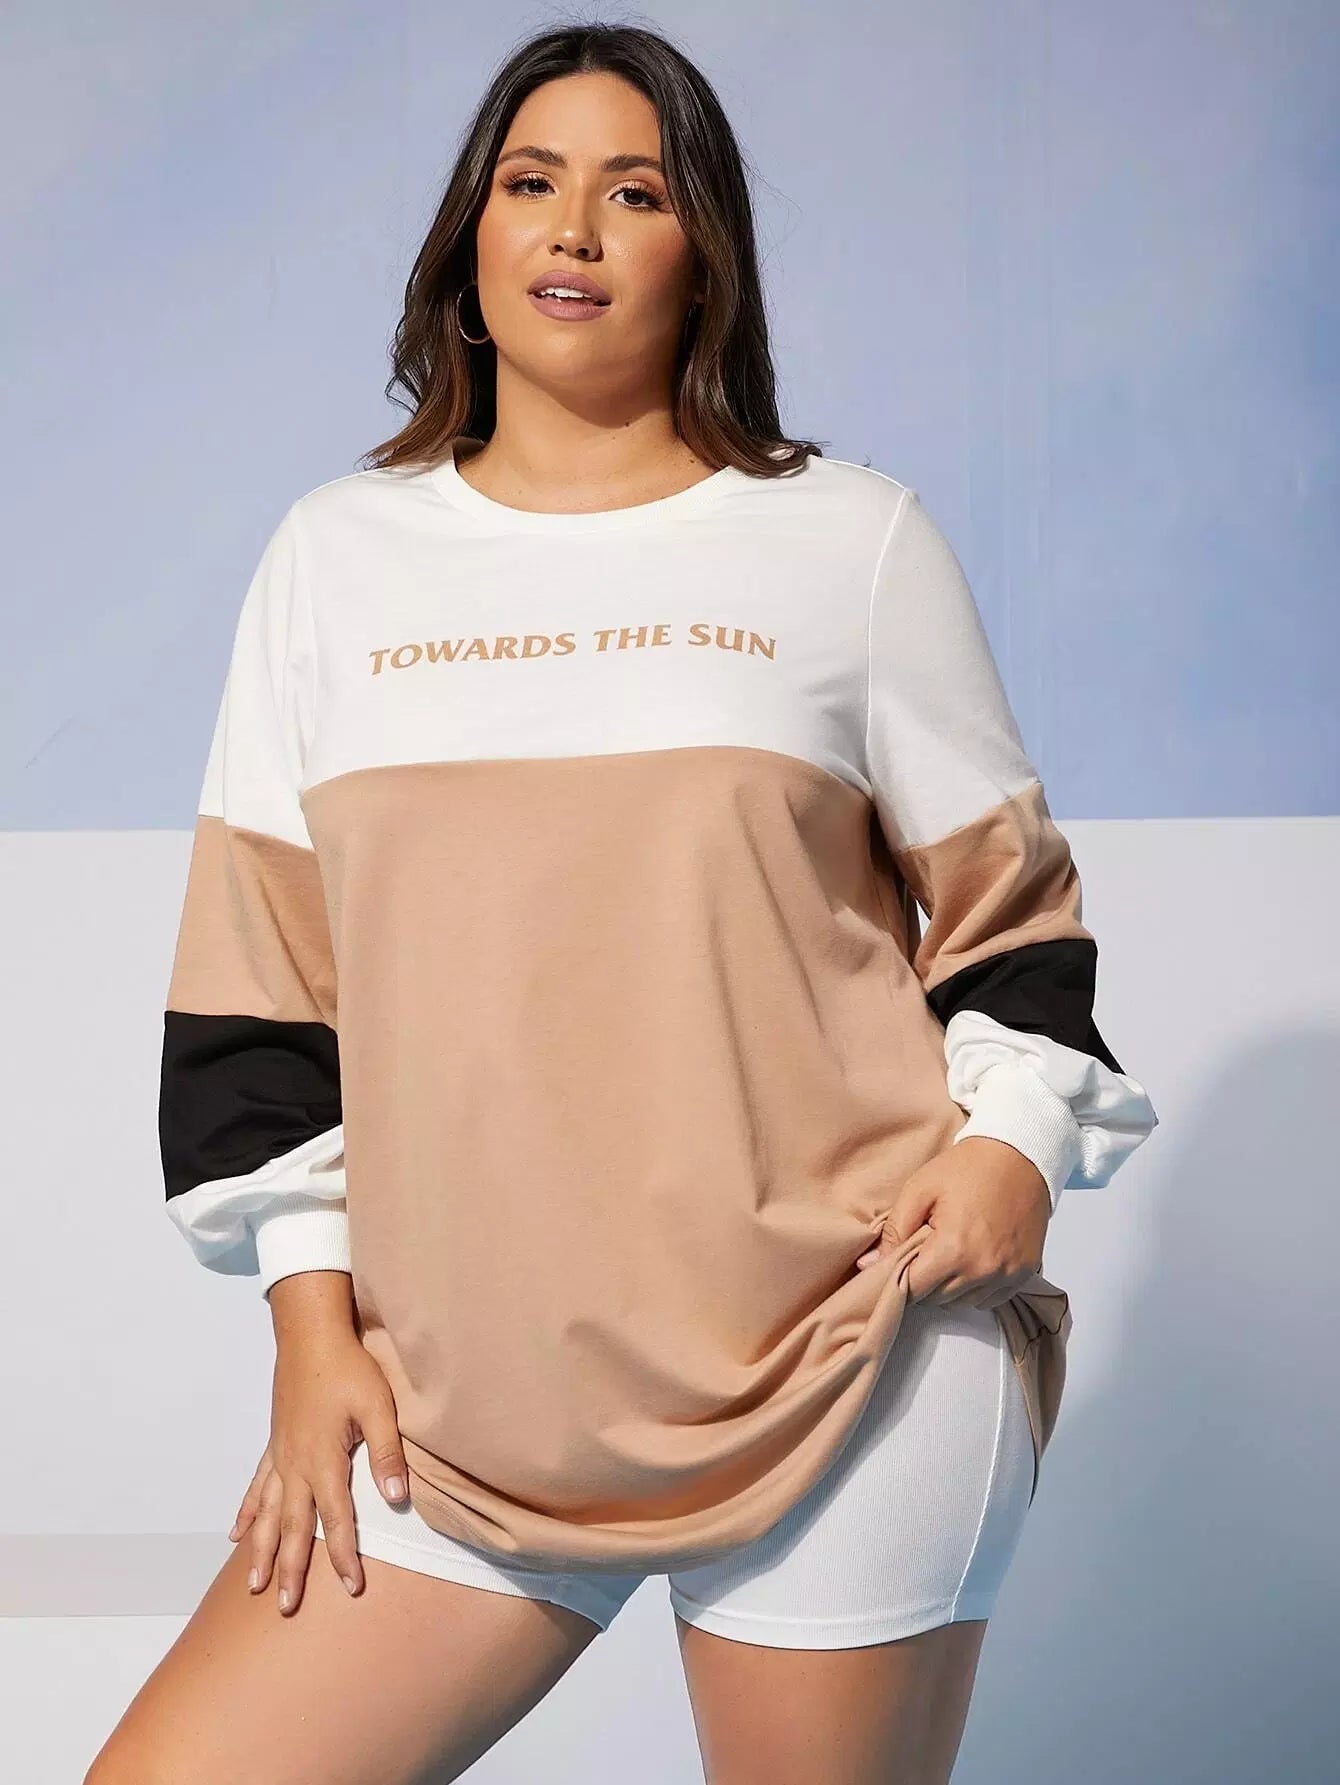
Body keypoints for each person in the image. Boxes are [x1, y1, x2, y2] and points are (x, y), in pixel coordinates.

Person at [88, 22, 1157, 1785]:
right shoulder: (334, 562)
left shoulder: (849, 542)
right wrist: (308, 1328)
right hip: (457, 1410)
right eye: (533, 182)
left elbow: (1015, 927)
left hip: (848, 1360)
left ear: (702, 256)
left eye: (635, 191)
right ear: (473, 241)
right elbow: (260, 1000)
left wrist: (1014, 1150)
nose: (575, 226)